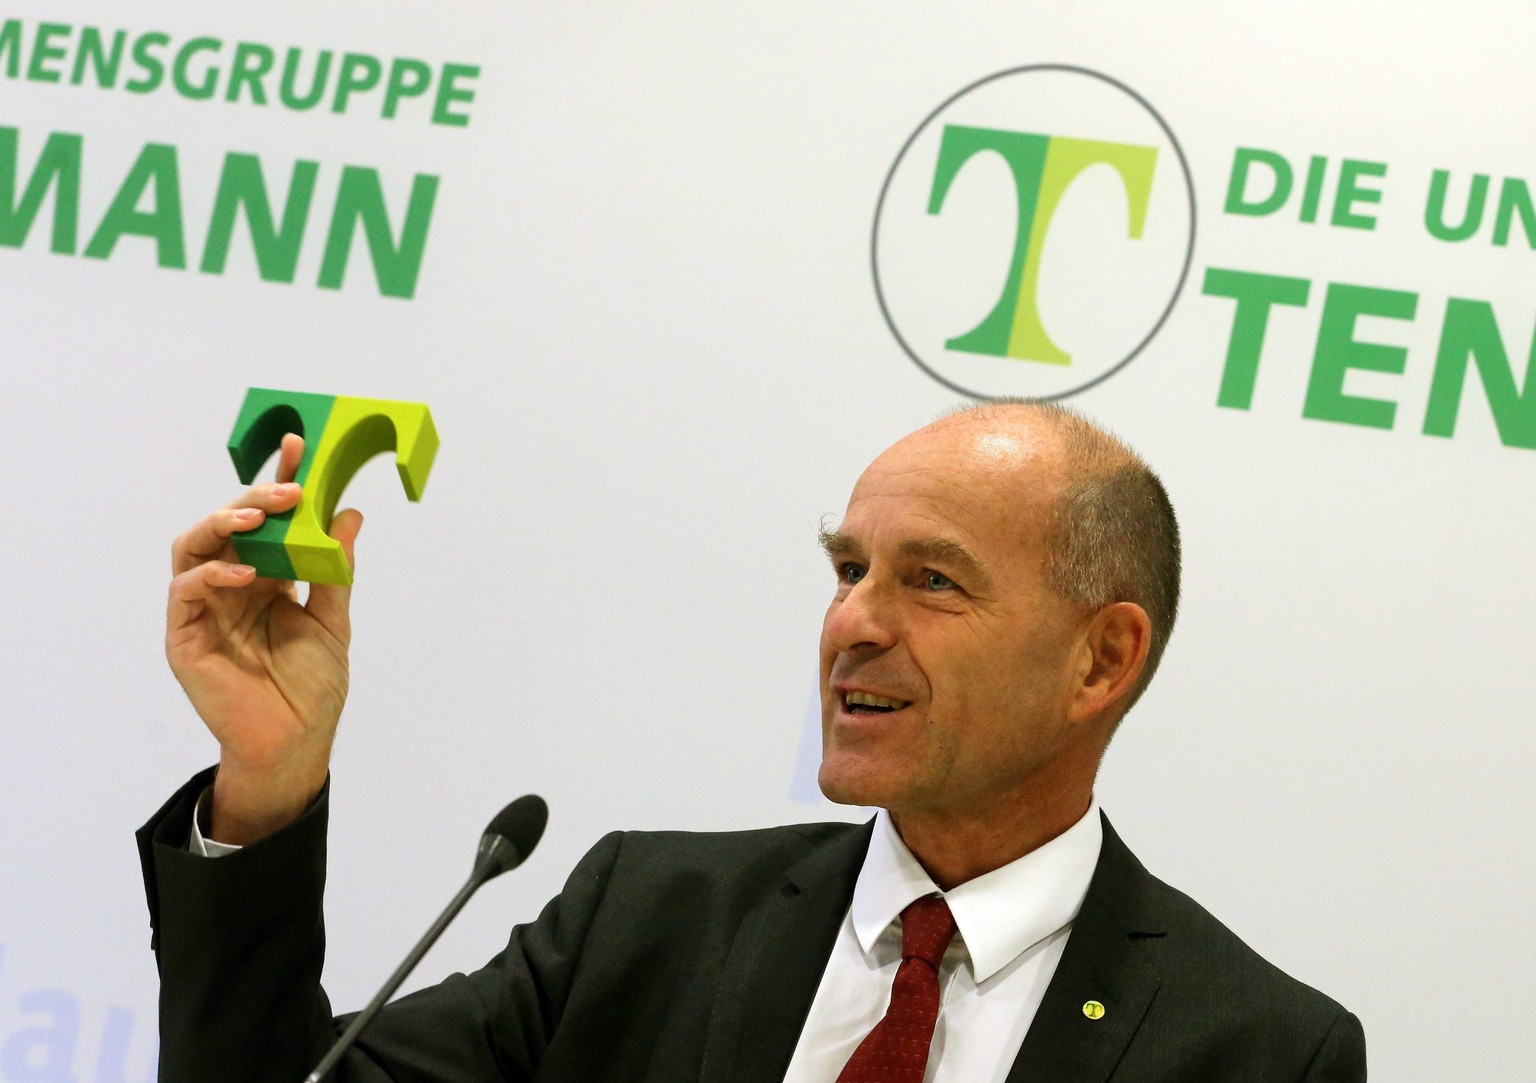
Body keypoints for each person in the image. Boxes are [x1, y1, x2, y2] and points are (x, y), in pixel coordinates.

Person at [138, 401, 1367, 1081]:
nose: (854, 624)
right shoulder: (650, 917)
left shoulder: (1257, 1053)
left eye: (932, 580)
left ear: (1101, 659)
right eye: (848, 569)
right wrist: (267, 784)